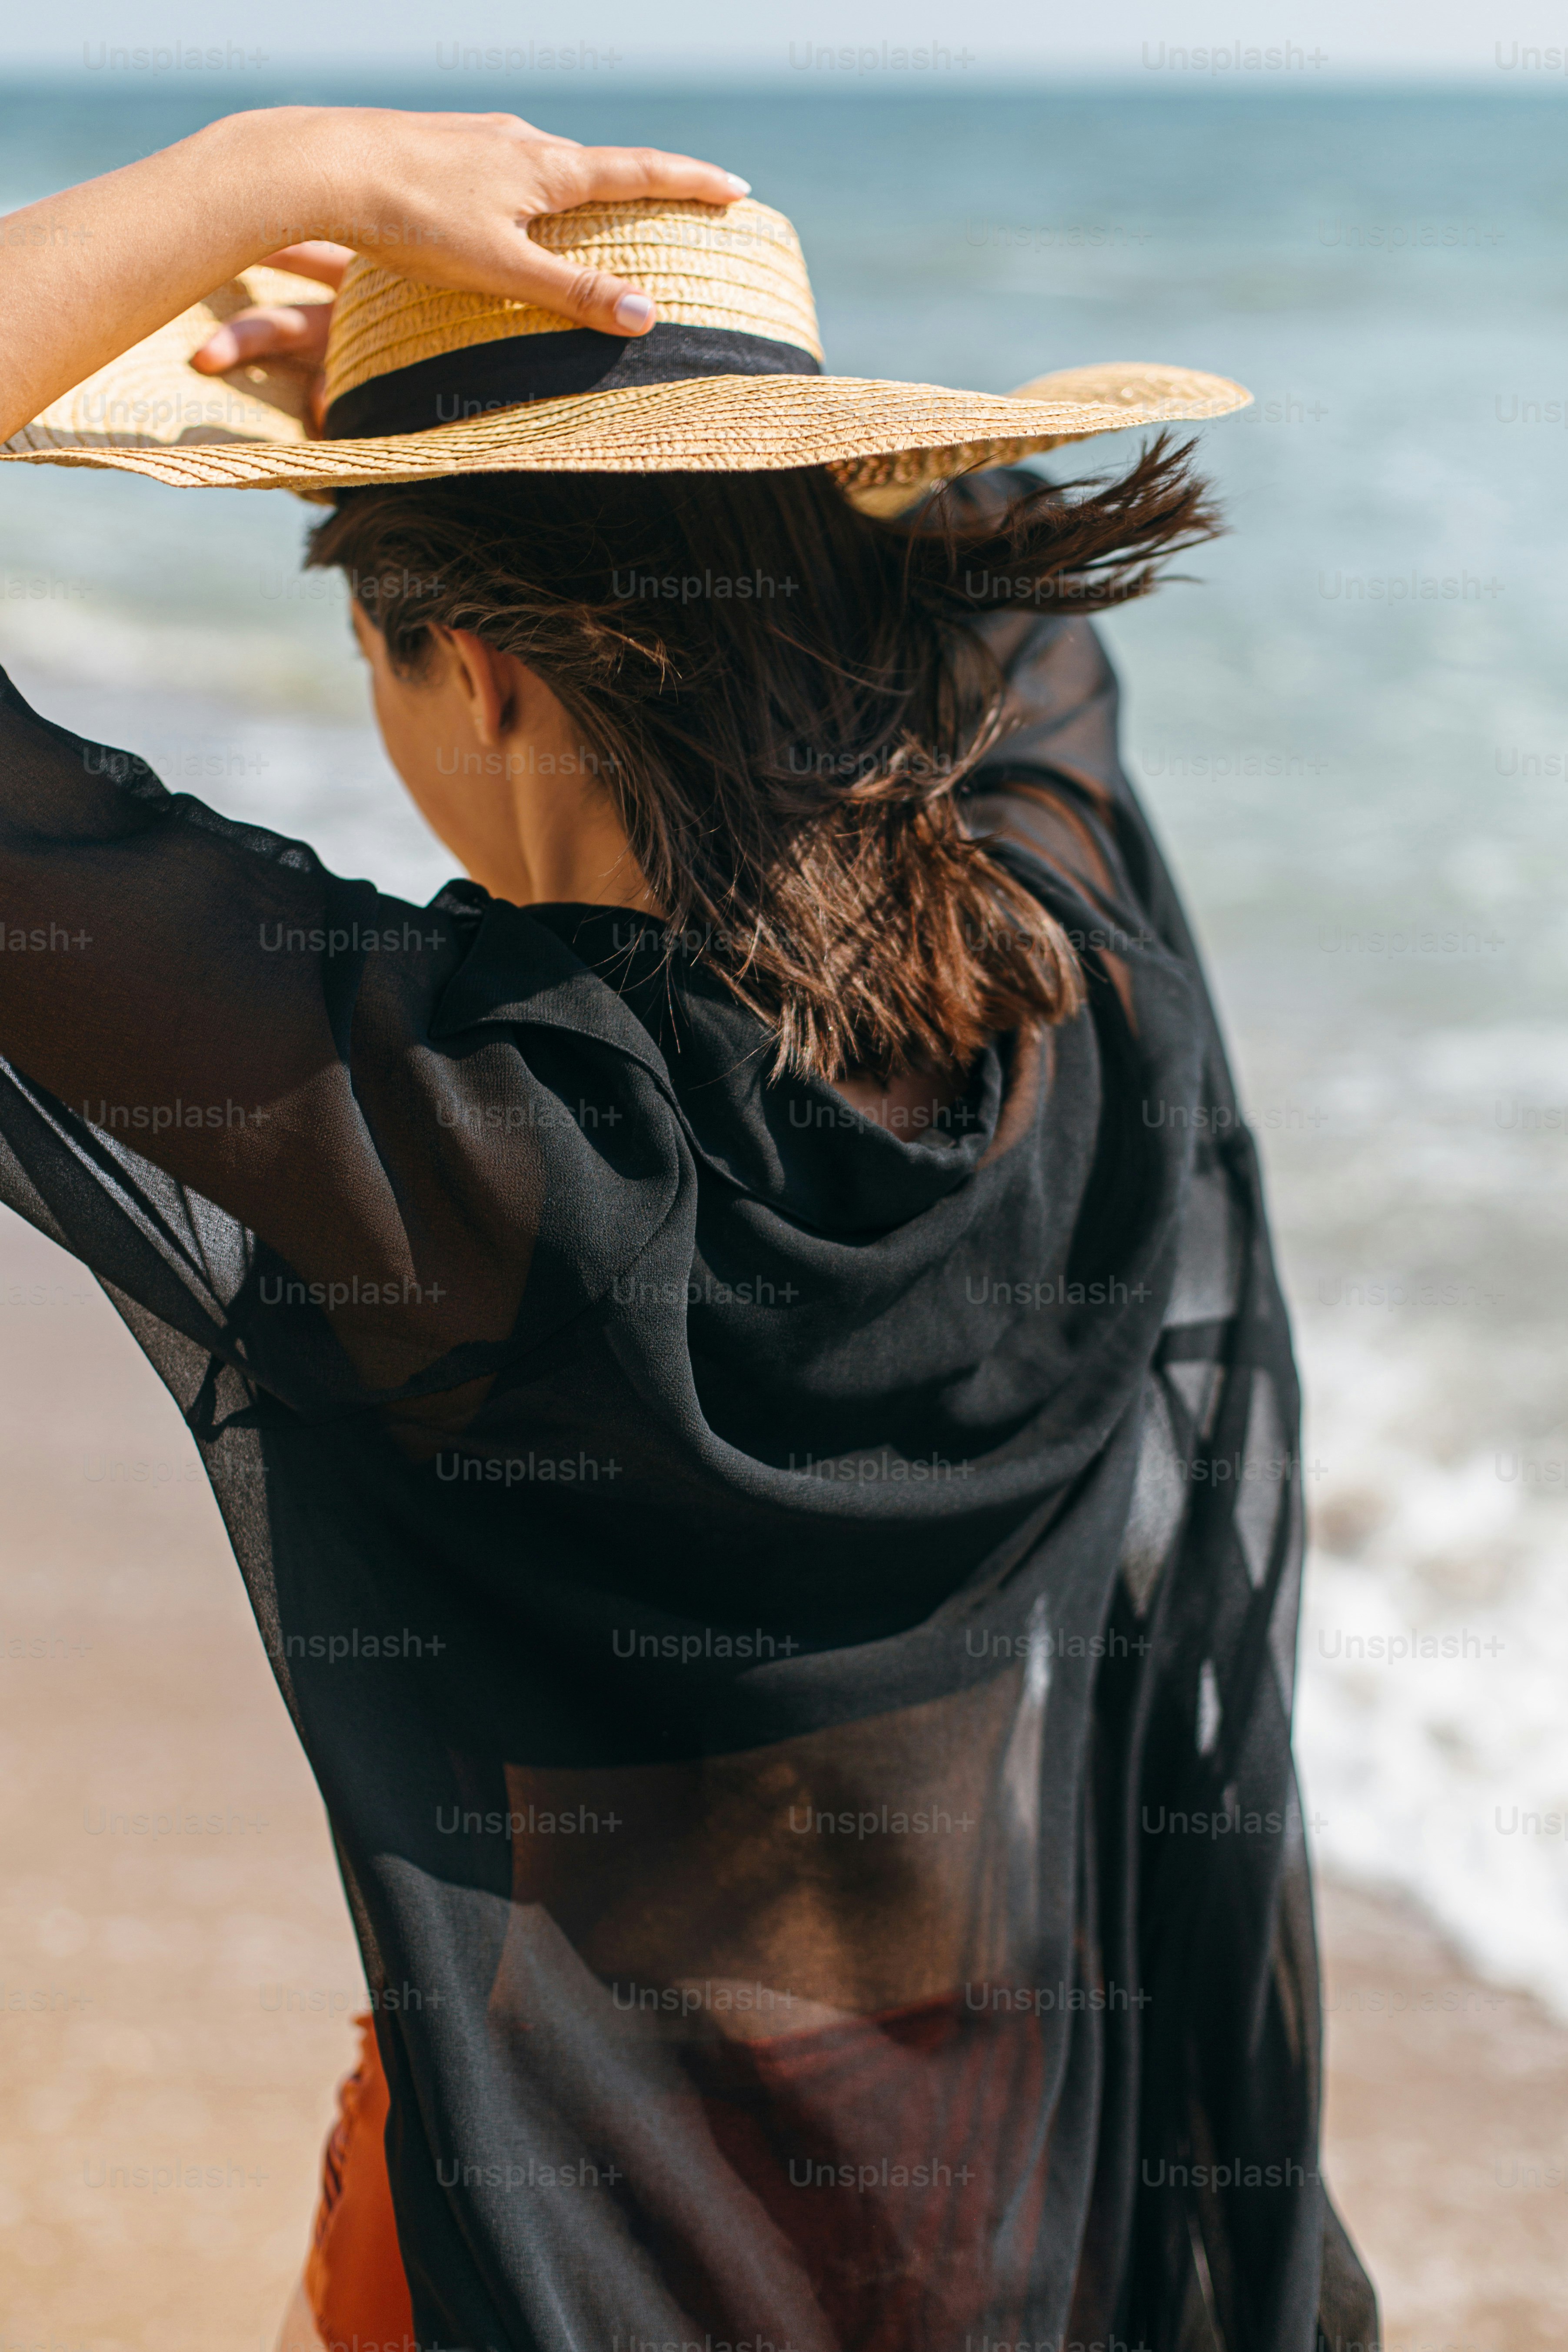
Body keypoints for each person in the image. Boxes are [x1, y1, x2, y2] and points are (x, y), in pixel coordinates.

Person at [0, 105, 1375, 2352]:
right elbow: (1002, 564)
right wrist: (528, 448)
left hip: (553, 2258)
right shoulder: (1057, 976)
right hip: (1016, 2221)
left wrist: (284, 176)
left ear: (488, 675)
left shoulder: (457, 1127)